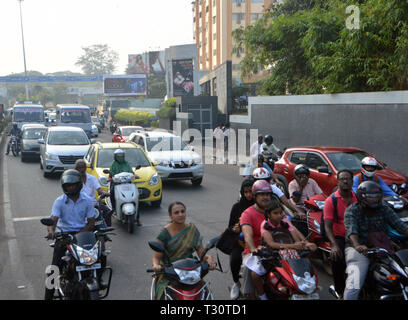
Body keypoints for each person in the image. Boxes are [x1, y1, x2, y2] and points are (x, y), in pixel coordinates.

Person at [343, 181, 408, 300]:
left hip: (382, 247)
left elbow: (400, 225)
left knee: (403, 272)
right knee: (354, 284)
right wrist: (358, 245)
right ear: (361, 197)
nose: (375, 199)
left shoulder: (384, 208)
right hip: (359, 249)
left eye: (377, 196)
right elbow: (352, 230)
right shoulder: (352, 210)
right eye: (371, 196)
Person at [44, 169, 95, 300]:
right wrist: (51, 231)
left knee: (95, 259)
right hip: (64, 236)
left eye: (72, 185)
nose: (70, 187)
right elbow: (53, 220)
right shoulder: (59, 201)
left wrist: (78, 235)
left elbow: (91, 223)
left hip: (82, 235)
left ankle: (96, 280)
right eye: (68, 185)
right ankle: (48, 297)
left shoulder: (88, 200)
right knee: (53, 269)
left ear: (78, 185)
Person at [151, 202, 217, 300]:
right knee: (162, 295)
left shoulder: (192, 230)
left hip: (190, 271)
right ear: (170, 216)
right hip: (170, 272)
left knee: (204, 293)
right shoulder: (164, 233)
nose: (180, 214)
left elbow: (202, 253)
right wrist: (156, 266)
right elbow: (156, 257)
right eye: (176, 212)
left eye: (182, 211)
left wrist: (209, 259)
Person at [323, 170, 358, 299]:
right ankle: (341, 292)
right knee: (336, 259)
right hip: (340, 237)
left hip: (357, 236)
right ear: (337, 182)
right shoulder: (331, 201)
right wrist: (334, 245)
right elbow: (327, 225)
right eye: (342, 179)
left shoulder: (358, 198)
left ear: (352, 181)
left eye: (347, 179)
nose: (345, 181)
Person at [240, 180, 273, 300]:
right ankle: (253, 295)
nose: (266, 197)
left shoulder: (275, 211)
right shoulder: (247, 214)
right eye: (262, 195)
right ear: (255, 196)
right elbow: (247, 235)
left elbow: (290, 227)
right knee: (250, 270)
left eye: (268, 194)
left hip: (276, 250)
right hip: (255, 252)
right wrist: (254, 249)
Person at [227, 179, 255, 300]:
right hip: (240, 242)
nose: (249, 195)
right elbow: (230, 227)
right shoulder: (237, 207)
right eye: (246, 192)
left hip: (257, 241)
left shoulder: (260, 206)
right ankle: (236, 283)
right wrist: (235, 229)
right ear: (242, 193)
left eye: (251, 191)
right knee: (235, 260)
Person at [108, 149, 142, 226]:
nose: (120, 158)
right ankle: (114, 209)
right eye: (118, 156)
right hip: (117, 185)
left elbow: (131, 173)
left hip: (128, 184)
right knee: (112, 193)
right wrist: (110, 178)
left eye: (121, 156)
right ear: (115, 157)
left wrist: (135, 176)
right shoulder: (114, 165)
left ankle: (137, 218)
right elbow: (110, 175)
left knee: (136, 198)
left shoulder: (127, 164)